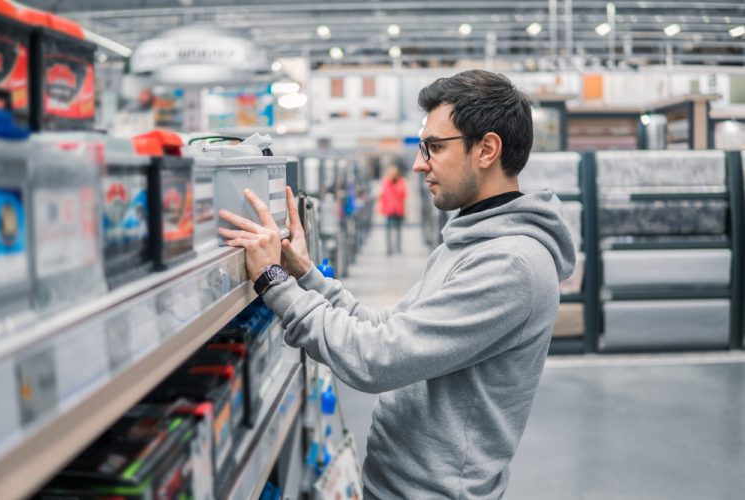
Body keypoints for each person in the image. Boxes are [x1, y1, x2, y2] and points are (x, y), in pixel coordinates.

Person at [218, 69, 576, 499]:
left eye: (434, 147)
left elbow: (377, 359)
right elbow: (388, 327)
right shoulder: (468, 241)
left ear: (487, 149)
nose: (418, 162)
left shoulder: (510, 264)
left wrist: (273, 283)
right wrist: (305, 276)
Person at [378, 165, 407, 255]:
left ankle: (398, 248)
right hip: (389, 210)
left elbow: (403, 195)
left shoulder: (402, 182)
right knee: (388, 231)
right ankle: (389, 249)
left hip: (398, 210)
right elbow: (382, 195)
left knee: (398, 230)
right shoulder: (386, 183)